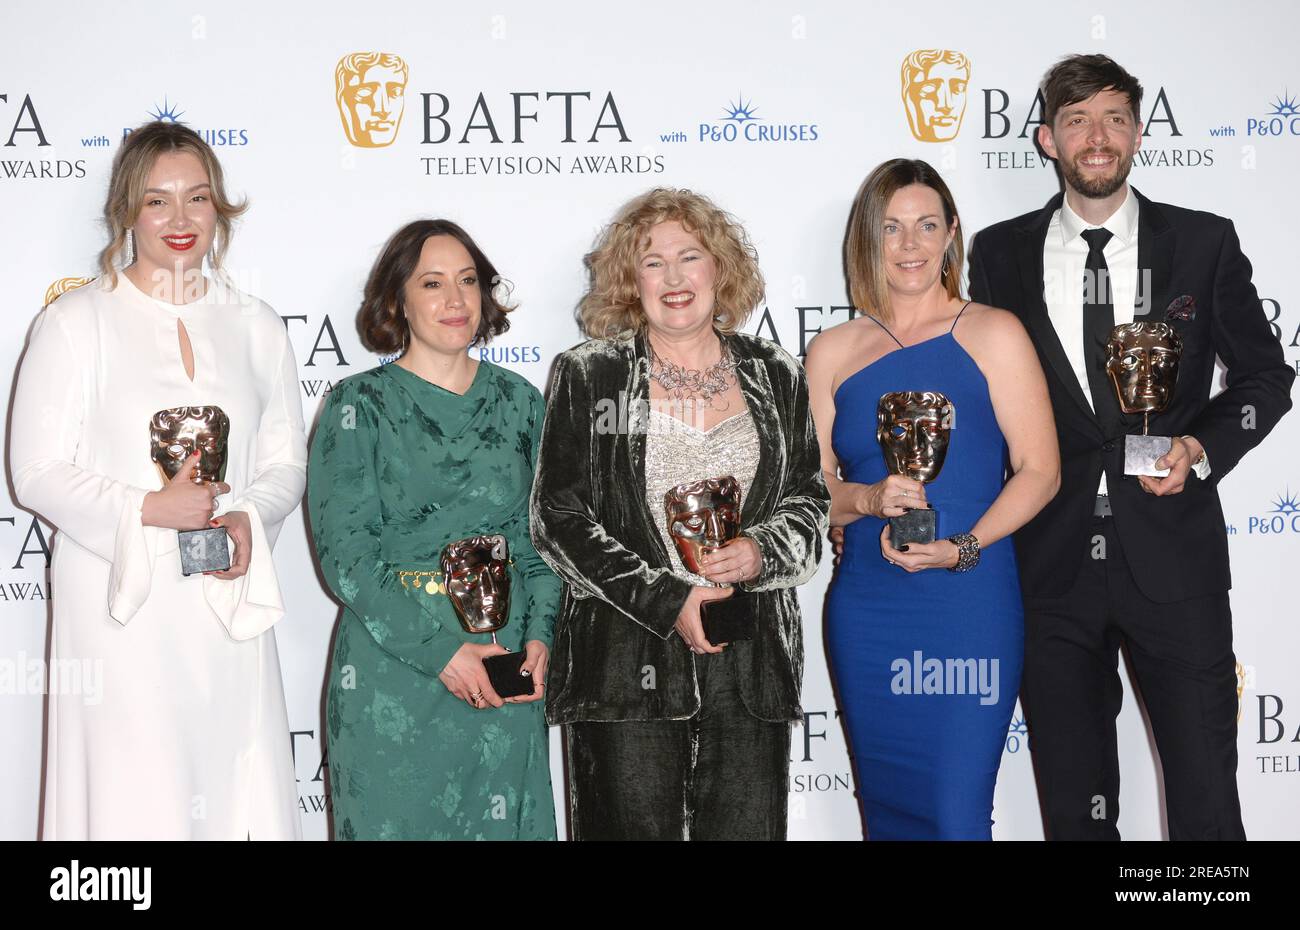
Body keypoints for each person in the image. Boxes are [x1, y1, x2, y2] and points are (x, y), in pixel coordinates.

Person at [967, 54, 1294, 840]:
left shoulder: (1202, 243)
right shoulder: (997, 253)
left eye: (1115, 118)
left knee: (1205, 799)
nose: (1097, 137)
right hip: (1050, 564)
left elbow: (1264, 377)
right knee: (1075, 808)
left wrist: (1200, 447)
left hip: (1173, 559)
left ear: (1140, 133)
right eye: (1077, 120)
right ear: (1047, 139)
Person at [9, 121, 306, 839]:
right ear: (127, 212)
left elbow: (284, 463)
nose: (180, 220)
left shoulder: (258, 325)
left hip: (224, 606)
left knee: (235, 778)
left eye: (198, 198)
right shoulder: (74, 323)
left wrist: (247, 517)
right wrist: (147, 507)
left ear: (220, 210)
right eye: (158, 201)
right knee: (130, 795)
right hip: (120, 612)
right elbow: (35, 472)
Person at [530, 188, 829, 840]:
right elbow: (558, 516)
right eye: (652, 262)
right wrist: (669, 600)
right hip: (625, 661)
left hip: (749, 660)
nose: (673, 278)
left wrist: (761, 550)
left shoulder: (776, 372)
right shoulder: (591, 375)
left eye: (688, 257)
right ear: (628, 281)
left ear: (719, 267)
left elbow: (809, 501)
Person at [808, 158, 1059, 839]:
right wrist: (863, 498)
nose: (910, 244)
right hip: (868, 608)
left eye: (926, 225)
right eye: (891, 228)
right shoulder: (832, 351)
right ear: (868, 239)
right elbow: (813, 494)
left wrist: (963, 547)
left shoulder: (994, 332)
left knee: (954, 815)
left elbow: (1041, 470)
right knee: (886, 815)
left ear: (951, 233)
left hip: (968, 605)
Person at [309, 219, 560, 840]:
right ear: (397, 301)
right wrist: (441, 653)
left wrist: (541, 636)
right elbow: (347, 558)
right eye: (432, 283)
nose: (456, 300)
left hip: (504, 675)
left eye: (469, 281)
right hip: (394, 675)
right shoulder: (357, 404)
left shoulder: (522, 401)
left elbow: (541, 542)